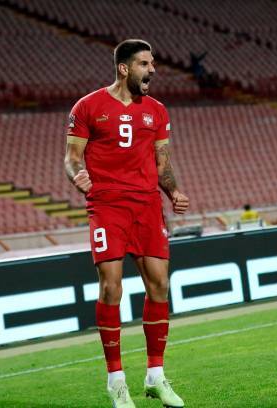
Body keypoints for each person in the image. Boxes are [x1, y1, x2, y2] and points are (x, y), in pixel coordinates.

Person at [64, 39, 189, 408]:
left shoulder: (157, 111)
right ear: (124, 68)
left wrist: (174, 192)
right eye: (145, 64)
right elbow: (72, 157)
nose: (152, 70)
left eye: (152, 64)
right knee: (111, 288)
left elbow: (162, 164)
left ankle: (155, 376)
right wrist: (78, 176)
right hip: (108, 206)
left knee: (160, 285)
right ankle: (116, 381)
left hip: (148, 206)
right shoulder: (87, 107)